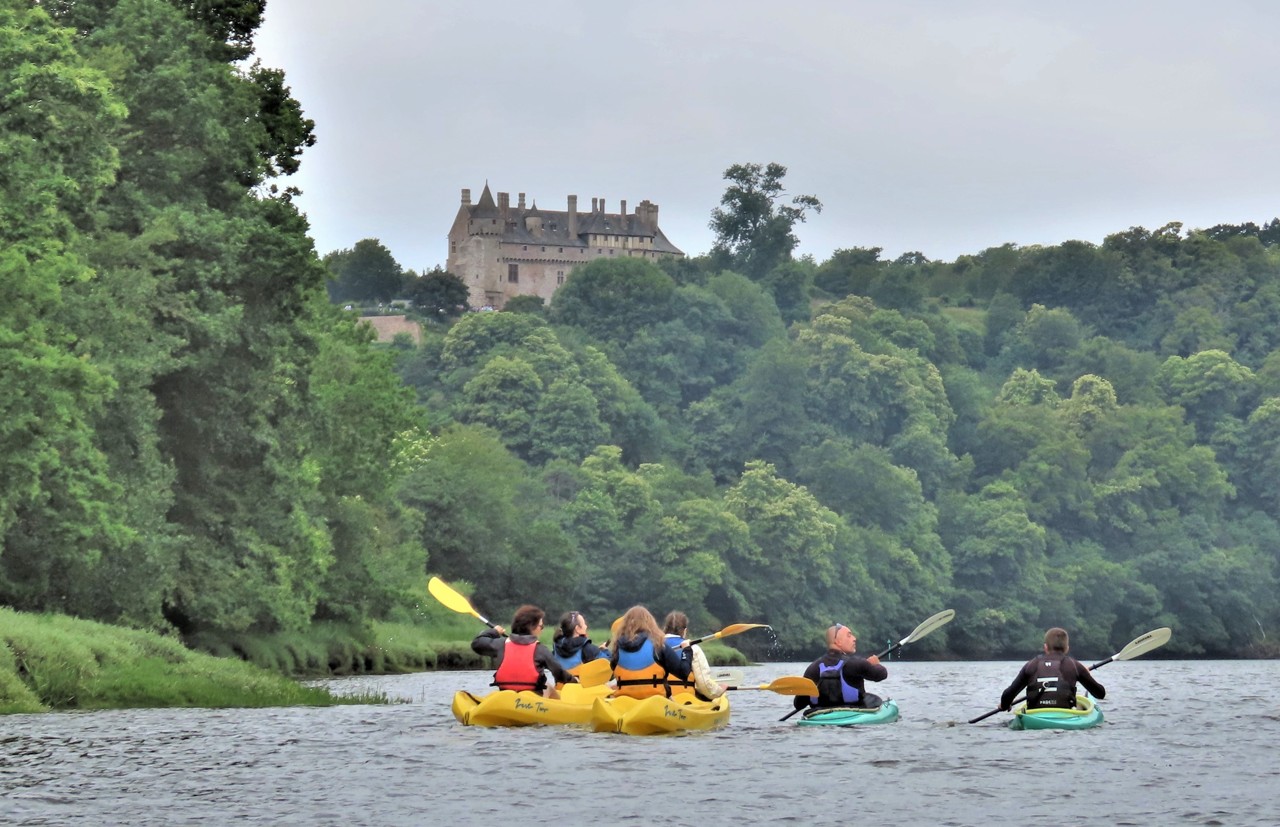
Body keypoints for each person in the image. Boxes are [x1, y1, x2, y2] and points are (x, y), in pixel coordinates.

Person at [471, 604, 575, 698]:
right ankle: (560, 711)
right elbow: (559, 673)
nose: (542, 630)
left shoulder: (501, 645)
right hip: (533, 701)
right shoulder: (540, 650)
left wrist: (494, 631)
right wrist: (575, 681)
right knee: (547, 685)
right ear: (531, 627)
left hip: (506, 697)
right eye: (541, 626)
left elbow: (477, 643)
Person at [1000, 627, 1106, 711]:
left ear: (1045, 647)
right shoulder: (1075, 666)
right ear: (1067, 648)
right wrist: (1087, 674)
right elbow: (1100, 693)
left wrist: (1005, 706)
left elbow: (1008, 695)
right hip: (1066, 715)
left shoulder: (1030, 665)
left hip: (1035, 716)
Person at [793, 623, 888, 713]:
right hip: (852, 715)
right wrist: (875, 664)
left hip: (820, 716)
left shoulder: (813, 668)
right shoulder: (856, 663)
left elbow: (799, 704)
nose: (854, 638)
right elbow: (881, 674)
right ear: (838, 641)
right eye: (849, 635)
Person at [610, 605, 693, 699]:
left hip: (625, 702)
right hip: (655, 701)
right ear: (650, 623)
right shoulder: (658, 645)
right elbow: (683, 673)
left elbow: (613, 669)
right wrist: (687, 650)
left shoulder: (617, 647)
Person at [661, 611, 726, 701]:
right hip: (686, 701)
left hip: (660, 700)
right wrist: (719, 691)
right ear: (685, 631)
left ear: (665, 628)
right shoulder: (693, 648)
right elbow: (704, 685)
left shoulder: (653, 646)